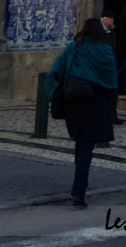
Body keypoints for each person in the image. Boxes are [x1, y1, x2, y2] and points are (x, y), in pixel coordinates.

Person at [45, 17, 119, 208]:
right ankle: (79, 193)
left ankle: (79, 187)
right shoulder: (105, 50)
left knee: (82, 143)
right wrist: (110, 107)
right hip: (96, 103)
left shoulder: (74, 48)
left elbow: (55, 72)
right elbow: (111, 80)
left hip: (75, 102)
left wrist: (55, 94)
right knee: (86, 146)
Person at [100, 9, 123, 123]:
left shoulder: (111, 32)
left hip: (111, 66)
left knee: (113, 91)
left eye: (112, 18)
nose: (112, 20)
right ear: (103, 19)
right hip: (103, 67)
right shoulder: (100, 33)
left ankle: (112, 115)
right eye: (110, 18)